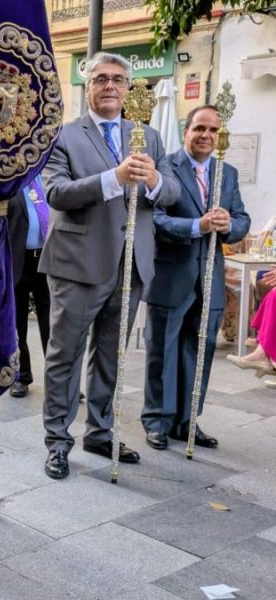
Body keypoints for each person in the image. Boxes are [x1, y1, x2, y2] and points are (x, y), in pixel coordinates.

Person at [38, 52, 179, 480]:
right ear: (88, 85)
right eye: (101, 79)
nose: (111, 86)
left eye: (119, 79)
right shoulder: (62, 136)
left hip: (131, 264)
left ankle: (100, 430)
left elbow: (171, 192)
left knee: (112, 356)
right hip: (79, 262)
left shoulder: (149, 137)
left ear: (129, 86)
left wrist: (153, 181)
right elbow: (57, 193)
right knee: (66, 354)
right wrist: (114, 178)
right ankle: (58, 441)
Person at [142, 105, 249, 450]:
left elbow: (242, 218)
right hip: (172, 275)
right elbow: (153, 219)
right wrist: (195, 226)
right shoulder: (165, 168)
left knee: (198, 350)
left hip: (210, 277)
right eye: (199, 128)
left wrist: (228, 225)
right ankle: (158, 420)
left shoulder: (227, 173)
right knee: (163, 350)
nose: (206, 136)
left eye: (213, 131)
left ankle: (187, 421)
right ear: (185, 131)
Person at [7, 174, 51, 398]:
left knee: (51, 322)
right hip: (18, 260)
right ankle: (21, 375)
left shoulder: (50, 177)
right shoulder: (11, 179)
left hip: (47, 259)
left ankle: (57, 379)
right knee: (18, 323)